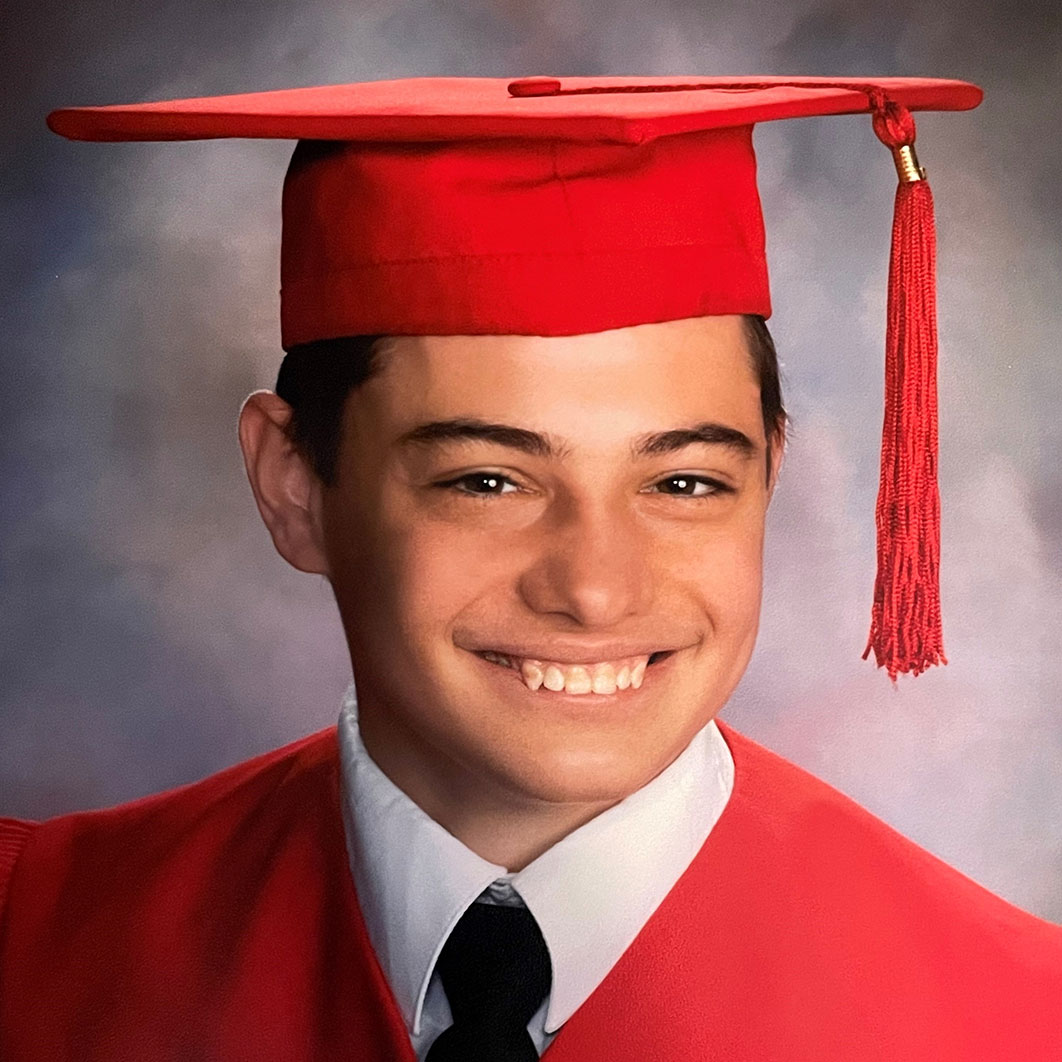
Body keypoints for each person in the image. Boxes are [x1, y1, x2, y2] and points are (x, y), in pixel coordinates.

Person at [1, 75, 1060, 1060]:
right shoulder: (37, 945)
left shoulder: (1012, 1017)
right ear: (294, 485)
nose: (594, 589)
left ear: (770, 475)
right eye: (487, 482)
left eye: (684, 482)